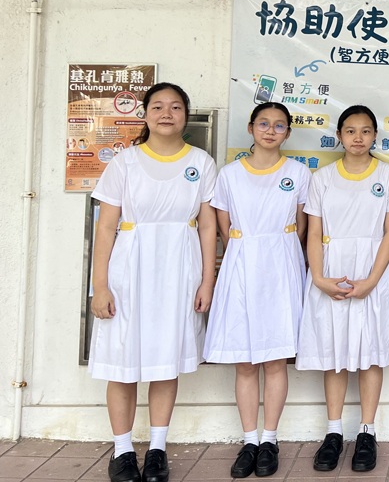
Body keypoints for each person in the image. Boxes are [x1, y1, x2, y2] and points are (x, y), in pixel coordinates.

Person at [89, 83, 218, 482]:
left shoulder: (201, 162)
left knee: (166, 361)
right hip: (129, 272)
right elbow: (105, 227)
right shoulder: (124, 163)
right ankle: (122, 451)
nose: (167, 113)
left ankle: (158, 449)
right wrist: (100, 286)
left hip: (179, 271)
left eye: (176, 107)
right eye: (158, 106)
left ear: (185, 115)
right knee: (122, 364)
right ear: (144, 114)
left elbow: (208, 226)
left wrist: (207, 281)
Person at [296, 105, 389, 473]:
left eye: (365, 130)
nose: (357, 137)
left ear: (375, 135)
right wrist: (318, 277)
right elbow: (314, 231)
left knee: (370, 351)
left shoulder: (388, 176)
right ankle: (333, 433)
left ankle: (367, 432)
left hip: (372, 270)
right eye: (350, 130)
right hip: (331, 269)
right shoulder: (323, 178)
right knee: (334, 351)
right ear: (339, 136)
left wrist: (372, 281)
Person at [205, 102, 312, 478]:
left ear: (288, 133)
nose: (270, 130)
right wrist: (248, 247)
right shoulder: (229, 174)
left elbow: (301, 226)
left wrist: (276, 248)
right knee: (246, 361)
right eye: (263, 123)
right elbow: (224, 227)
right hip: (241, 263)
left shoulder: (298, 173)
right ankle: (249, 440)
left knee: (275, 358)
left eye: (279, 125)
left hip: (281, 265)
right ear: (251, 128)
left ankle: (269, 439)